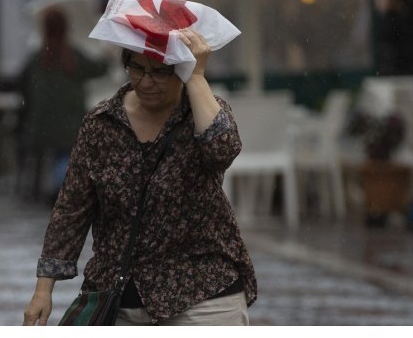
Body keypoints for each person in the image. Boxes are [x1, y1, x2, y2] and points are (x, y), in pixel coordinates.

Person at [22, 28, 257, 326]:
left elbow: (223, 150)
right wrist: (43, 290)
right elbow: (72, 209)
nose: (146, 82)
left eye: (160, 72)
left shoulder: (203, 113)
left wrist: (197, 77)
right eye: (137, 68)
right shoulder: (101, 124)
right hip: (118, 298)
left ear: (181, 71)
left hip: (203, 293)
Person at [18, 6, 109, 202]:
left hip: (40, 124)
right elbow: (98, 69)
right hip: (70, 122)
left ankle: (38, 190)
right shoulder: (72, 56)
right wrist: (107, 55)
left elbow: (23, 84)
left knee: (43, 154)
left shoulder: (36, 58)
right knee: (64, 154)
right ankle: (58, 188)